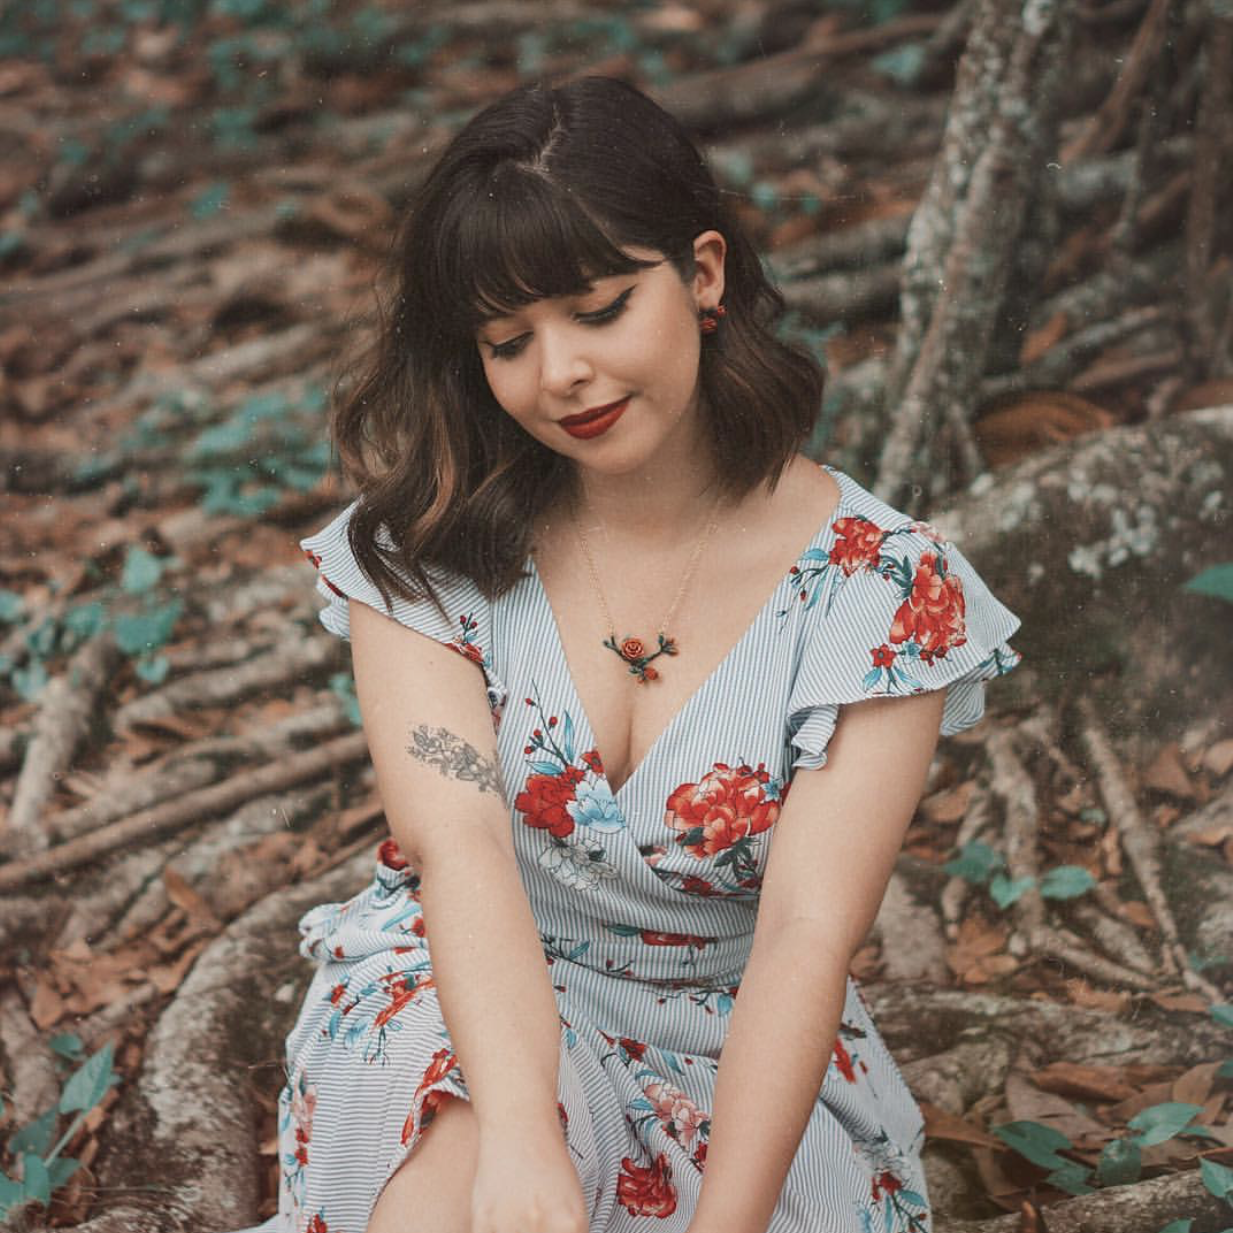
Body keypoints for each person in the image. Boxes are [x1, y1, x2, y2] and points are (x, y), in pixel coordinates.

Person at [272, 76, 1022, 1233]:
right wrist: (523, 1140)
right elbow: (460, 848)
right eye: (507, 341)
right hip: (467, 989)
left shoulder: (881, 591)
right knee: (457, 1187)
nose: (556, 373)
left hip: (737, 1037)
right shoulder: (427, 548)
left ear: (703, 275)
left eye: (599, 309)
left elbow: (805, 937)